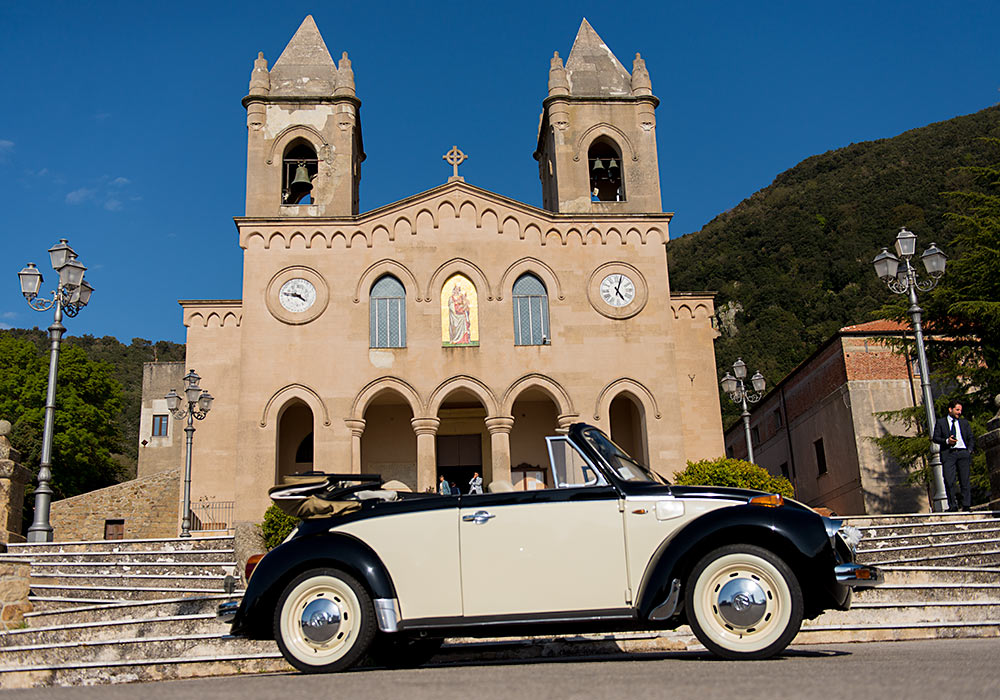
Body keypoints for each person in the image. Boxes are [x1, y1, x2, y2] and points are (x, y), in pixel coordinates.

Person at [932, 400, 975, 511]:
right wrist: (947, 441)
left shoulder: (964, 423)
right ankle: (953, 505)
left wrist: (968, 450)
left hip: (962, 453)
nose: (959, 412)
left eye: (960, 410)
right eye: (957, 410)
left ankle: (966, 505)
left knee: (964, 480)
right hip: (949, 454)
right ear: (950, 409)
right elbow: (935, 437)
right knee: (949, 480)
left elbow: (970, 437)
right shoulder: (941, 422)